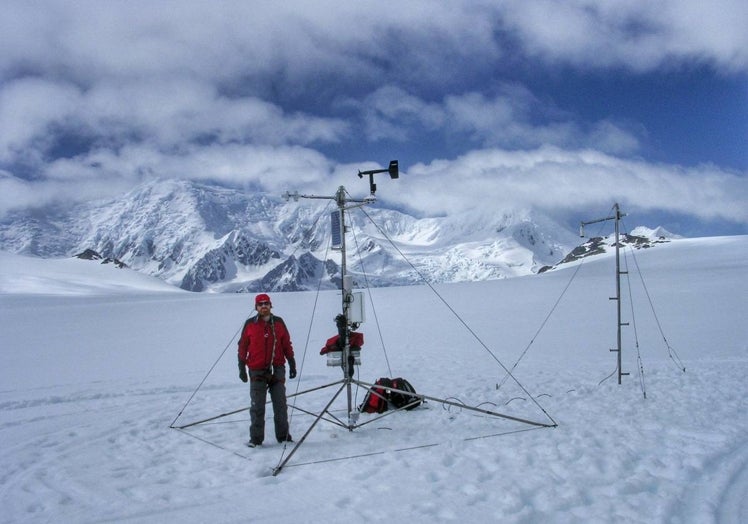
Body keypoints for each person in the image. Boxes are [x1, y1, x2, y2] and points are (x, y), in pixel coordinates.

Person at [237, 293, 297, 447]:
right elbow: (243, 345)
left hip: (277, 369)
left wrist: (291, 362)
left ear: (271, 305)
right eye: (260, 304)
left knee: (280, 405)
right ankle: (256, 440)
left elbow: (286, 343)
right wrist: (241, 367)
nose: (264, 306)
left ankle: (283, 437)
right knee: (257, 407)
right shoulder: (250, 324)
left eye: (266, 303)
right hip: (257, 370)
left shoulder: (278, 322)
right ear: (256, 307)